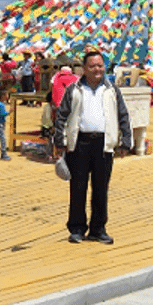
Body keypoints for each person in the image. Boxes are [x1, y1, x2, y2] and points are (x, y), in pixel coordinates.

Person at [52, 51, 131, 245]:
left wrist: (126, 140)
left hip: (103, 145)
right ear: (84, 69)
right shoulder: (74, 89)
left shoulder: (112, 89)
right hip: (79, 143)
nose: (97, 69)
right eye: (92, 66)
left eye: (100, 65)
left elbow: (123, 115)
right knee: (77, 187)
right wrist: (59, 142)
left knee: (101, 189)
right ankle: (77, 228)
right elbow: (62, 116)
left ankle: (98, 229)